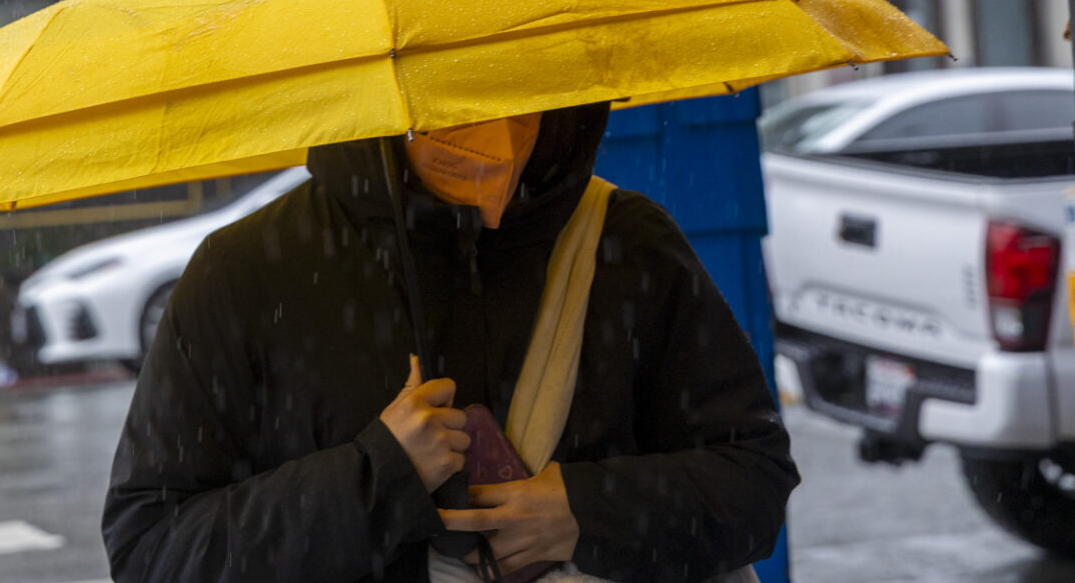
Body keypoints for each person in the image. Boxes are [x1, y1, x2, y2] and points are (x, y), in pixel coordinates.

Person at [104, 103, 798, 582]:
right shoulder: (248, 271)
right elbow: (151, 548)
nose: (492, 127)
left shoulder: (627, 246)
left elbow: (754, 479)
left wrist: (587, 513)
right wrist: (377, 477)